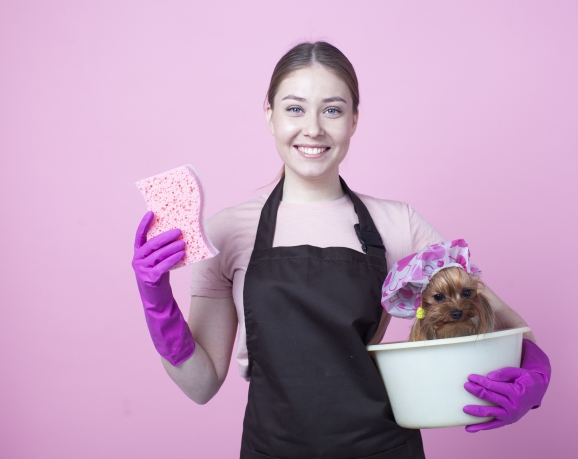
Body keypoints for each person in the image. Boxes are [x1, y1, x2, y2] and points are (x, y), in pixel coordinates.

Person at [132, 41, 551, 459]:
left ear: (353, 120)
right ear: (270, 117)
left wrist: (533, 375)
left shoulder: (397, 224)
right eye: (295, 108)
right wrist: (158, 305)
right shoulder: (227, 231)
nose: (312, 128)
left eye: (331, 109)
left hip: (382, 449)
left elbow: (506, 324)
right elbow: (201, 385)